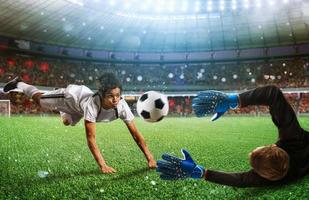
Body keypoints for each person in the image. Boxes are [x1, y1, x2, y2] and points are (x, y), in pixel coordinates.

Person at [156, 85, 309, 187]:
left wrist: (203, 172)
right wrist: (234, 101)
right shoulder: (293, 138)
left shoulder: (271, 175)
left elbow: (240, 181)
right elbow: (239, 180)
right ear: (273, 147)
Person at [3, 73, 157, 173]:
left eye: (118, 95)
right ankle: (20, 84)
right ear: (101, 95)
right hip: (70, 98)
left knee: (66, 122)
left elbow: (136, 135)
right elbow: (91, 138)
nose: (115, 99)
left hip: (78, 109)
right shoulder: (92, 104)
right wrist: (102, 165)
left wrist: (150, 158)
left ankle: (64, 112)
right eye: (110, 96)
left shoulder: (122, 107)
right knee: (39, 100)